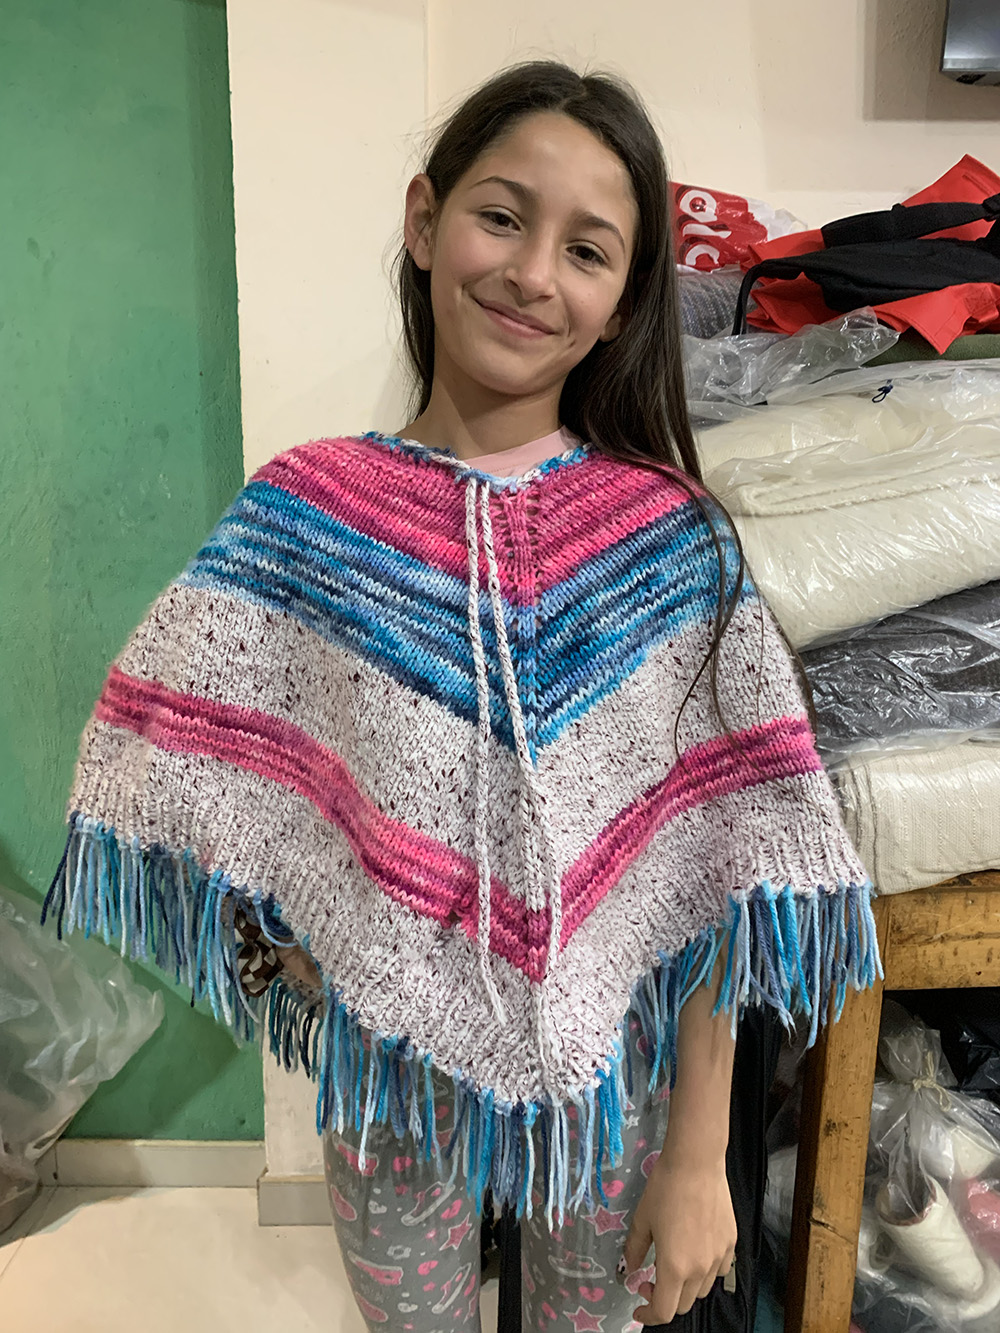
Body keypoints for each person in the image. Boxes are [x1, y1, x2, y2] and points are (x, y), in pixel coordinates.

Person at [42, 60, 883, 1333]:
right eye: (501, 216)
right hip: (388, 1070)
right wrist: (309, 923)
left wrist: (700, 1151)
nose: (533, 273)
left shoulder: (668, 542)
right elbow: (199, 761)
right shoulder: (308, 515)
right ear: (425, 220)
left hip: (613, 1079)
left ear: (621, 304)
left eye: (586, 251)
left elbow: (723, 877)